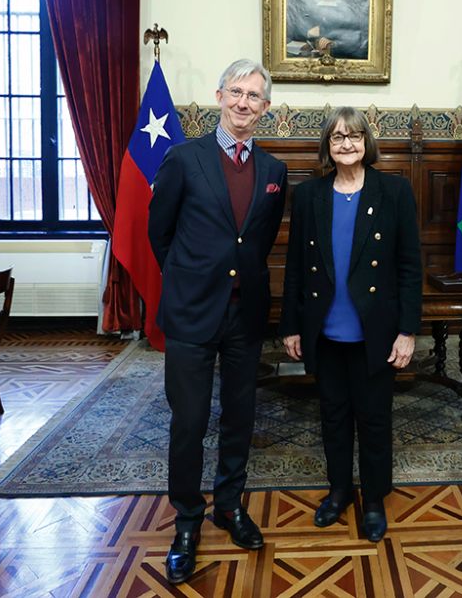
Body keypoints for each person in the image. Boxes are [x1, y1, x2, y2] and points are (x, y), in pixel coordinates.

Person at [148, 59, 288, 584]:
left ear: (265, 108)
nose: (244, 102)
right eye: (236, 92)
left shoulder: (274, 172)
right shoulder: (184, 158)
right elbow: (158, 234)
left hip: (245, 312)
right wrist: (189, 278)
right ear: (219, 96)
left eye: (255, 96)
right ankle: (187, 520)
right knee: (188, 422)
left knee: (239, 416)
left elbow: (261, 238)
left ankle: (229, 506)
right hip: (190, 312)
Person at [279, 106, 422, 542]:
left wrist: (407, 330)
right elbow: (296, 269)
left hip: (374, 332)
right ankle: (339, 491)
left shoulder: (394, 191)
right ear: (327, 145)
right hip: (325, 330)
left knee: (374, 418)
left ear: (367, 143)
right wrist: (291, 326)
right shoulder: (308, 196)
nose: (346, 144)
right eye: (338, 137)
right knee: (333, 417)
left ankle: (374, 499)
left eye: (355, 136)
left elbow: (409, 266)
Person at [286, 0, 368, 60]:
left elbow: (354, 39)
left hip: (338, 56)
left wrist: (331, 42)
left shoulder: (347, 11)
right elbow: (295, 32)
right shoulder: (307, 8)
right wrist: (307, 33)